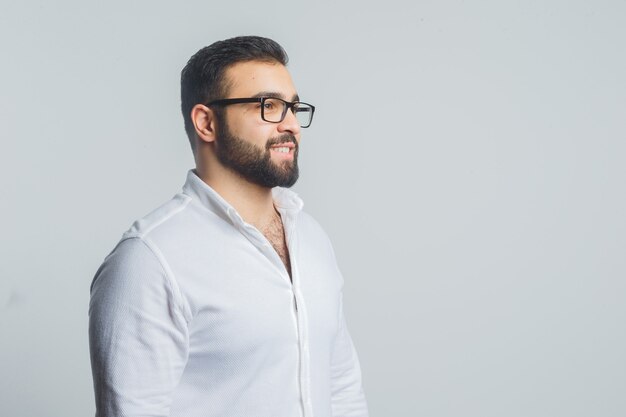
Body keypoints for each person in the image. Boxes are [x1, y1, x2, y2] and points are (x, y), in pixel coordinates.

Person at [88, 35, 369, 417]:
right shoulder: (149, 261)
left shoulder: (312, 238)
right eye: (268, 106)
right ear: (206, 122)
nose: (291, 125)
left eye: (292, 107)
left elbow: (342, 388)